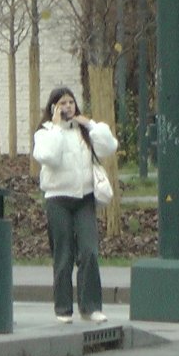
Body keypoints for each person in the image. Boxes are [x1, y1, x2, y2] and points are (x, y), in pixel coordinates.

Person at [32, 86, 117, 325]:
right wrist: (57, 127)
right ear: (53, 108)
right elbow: (49, 157)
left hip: (84, 198)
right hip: (58, 198)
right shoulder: (45, 132)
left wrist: (90, 124)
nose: (67, 107)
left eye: (70, 102)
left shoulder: (84, 131)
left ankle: (91, 307)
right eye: (62, 103)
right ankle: (63, 308)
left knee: (89, 251)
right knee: (64, 254)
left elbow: (109, 146)